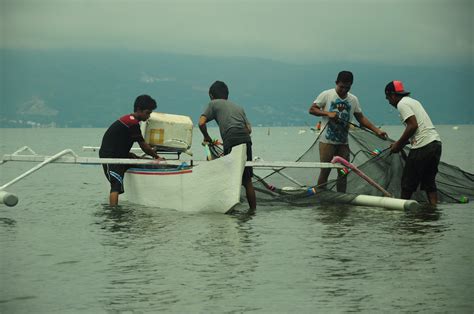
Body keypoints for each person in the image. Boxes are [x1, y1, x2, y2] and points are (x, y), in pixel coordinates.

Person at [309, 70, 387, 192]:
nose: (344, 90)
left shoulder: (353, 99)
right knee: (325, 171)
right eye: (341, 87)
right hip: (327, 141)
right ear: (336, 83)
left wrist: (377, 130)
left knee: (343, 172)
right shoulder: (327, 95)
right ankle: (320, 196)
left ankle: (342, 199)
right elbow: (312, 109)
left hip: (343, 143)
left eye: (347, 87)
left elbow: (360, 118)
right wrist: (327, 113)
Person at [198, 81, 257, 210]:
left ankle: (226, 207)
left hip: (231, 139)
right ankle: (253, 212)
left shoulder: (213, 104)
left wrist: (207, 137)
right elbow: (249, 129)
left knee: (229, 176)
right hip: (246, 140)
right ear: (227, 95)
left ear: (211, 95)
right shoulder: (238, 107)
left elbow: (201, 123)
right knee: (247, 181)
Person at [385, 80, 442, 205]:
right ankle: (433, 212)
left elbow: (412, 125)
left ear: (393, 95)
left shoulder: (402, 104)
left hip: (423, 147)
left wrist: (398, 144)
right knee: (429, 183)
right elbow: (420, 129)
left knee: (407, 183)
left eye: (388, 98)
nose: (389, 102)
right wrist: (401, 143)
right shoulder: (413, 101)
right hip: (435, 144)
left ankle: (404, 215)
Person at [99, 94, 162, 206]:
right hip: (110, 156)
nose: (148, 116)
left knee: (143, 161)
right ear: (138, 110)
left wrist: (153, 156)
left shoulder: (132, 121)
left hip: (121, 155)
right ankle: (113, 213)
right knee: (115, 186)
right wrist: (157, 157)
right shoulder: (131, 122)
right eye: (147, 112)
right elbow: (144, 146)